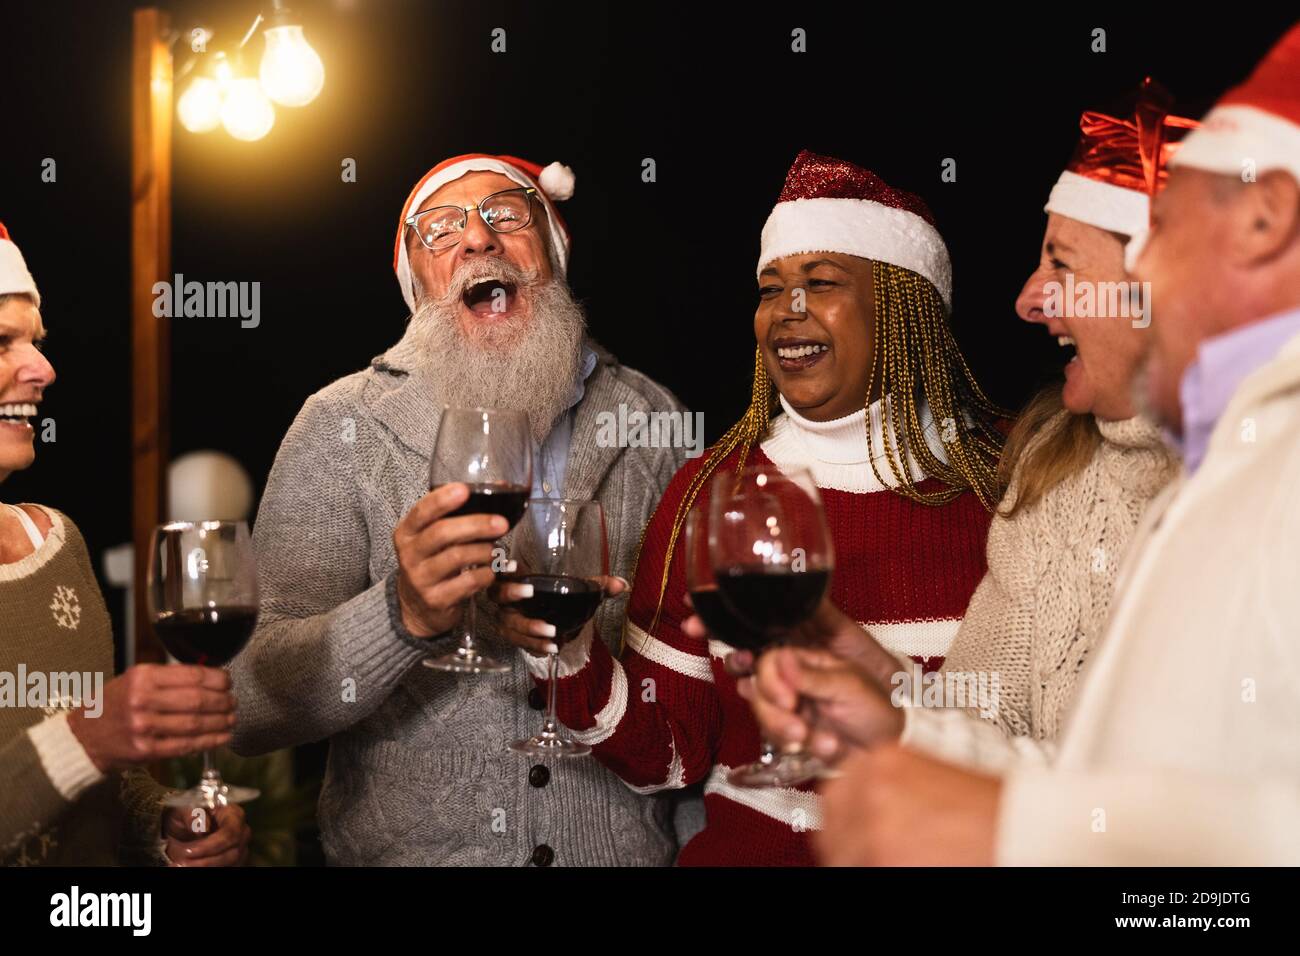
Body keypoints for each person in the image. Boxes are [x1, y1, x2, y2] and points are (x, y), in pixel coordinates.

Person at [817, 24, 1300, 866]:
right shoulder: (1212, 470)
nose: (1029, 301)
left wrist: (1014, 835)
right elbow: (1101, 794)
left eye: (1169, 233)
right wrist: (899, 715)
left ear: (1265, 218)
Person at [507, 151, 1007, 865]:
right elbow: (668, 756)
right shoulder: (710, 491)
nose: (785, 313)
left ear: (903, 305)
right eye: (770, 288)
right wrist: (568, 652)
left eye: (821, 283)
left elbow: (1063, 748)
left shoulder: (1010, 481)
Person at [228, 153, 691, 866]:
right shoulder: (340, 422)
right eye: (439, 230)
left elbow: (700, 684)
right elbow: (247, 701)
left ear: (554, 255)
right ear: (419, 284)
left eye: (507, 215)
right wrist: (400, 618)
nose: (478, 240)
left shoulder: (652, 417)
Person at [739, 85, 1194, 772]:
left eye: (1062, 265)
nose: (1027, 299)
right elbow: (982, 733)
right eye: (771, 287)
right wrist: (879, 687)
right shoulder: (1052, 476)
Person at [0, 222, 250, 867]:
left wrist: (166, 829)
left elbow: (101, 788)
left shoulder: (55, 541)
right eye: (2, 342)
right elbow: (81, 746)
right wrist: (85, 737)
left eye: (37, 342)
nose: (43, 369)